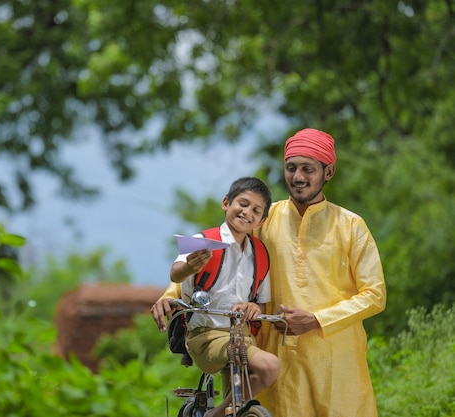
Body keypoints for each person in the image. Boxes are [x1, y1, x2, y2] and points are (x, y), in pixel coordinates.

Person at [152, 128, 387, 417]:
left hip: (336, 363)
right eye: (291, 168)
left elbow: (375, 295)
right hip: (275, 357)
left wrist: (316, 319)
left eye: (308, 169)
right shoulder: (264, 218)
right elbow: (211, 257)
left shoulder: (351, 226)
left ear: (329, 172)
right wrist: (170, 294)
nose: (298, 176)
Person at [169, 176, 280, 417]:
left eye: (256, 210)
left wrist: (254, 308)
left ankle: (223, 412)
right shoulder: (203, 242)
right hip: (206, 336)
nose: (247, 212)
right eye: (242, 203)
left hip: (242, 337)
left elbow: (261, 303)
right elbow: (176, 274)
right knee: (270, 366)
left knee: (239, 399)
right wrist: (189, 266)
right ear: (226, 203)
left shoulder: (260, 254)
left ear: (262, 220)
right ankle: (215, 415)